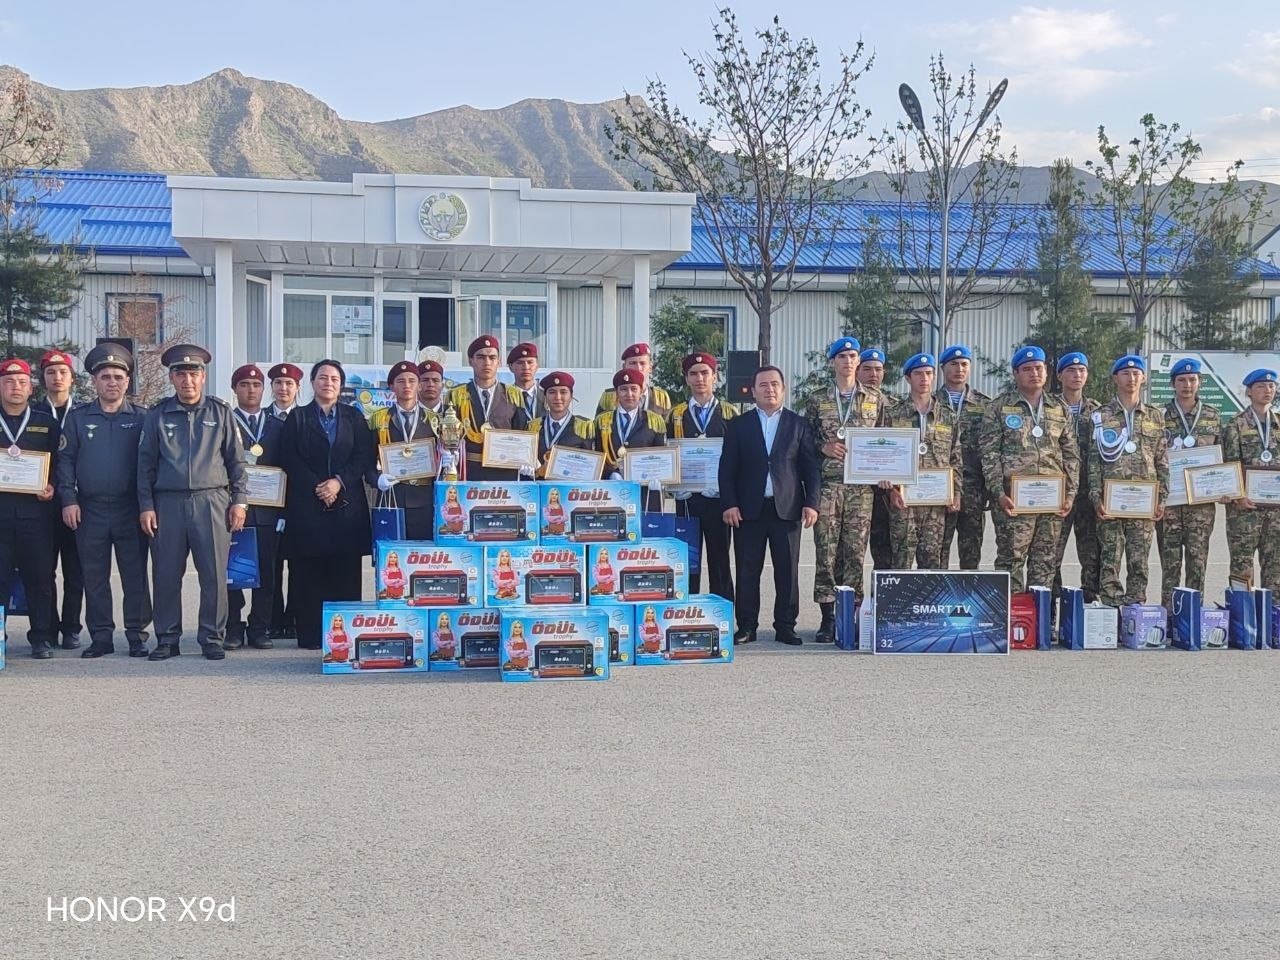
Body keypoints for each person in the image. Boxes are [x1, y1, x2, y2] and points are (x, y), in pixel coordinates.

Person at [138, 344, 248, 661]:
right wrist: (146, 505)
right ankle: (167, 638)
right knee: (166, 575)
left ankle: (212, 637)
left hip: (212, 501)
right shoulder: (157, 414)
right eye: (181, 374)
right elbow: (144, 466)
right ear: (172, 378)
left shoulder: (220, 412)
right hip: (168, 504)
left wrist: (239, 501)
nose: (188, 380)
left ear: (203, 377)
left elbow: (237, 462)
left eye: (194, 373)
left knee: (213, 575)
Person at [56, 344, 152, 658]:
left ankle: (137, 635)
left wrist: (147, 506)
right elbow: (65, 462)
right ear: (95, 381)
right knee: (94, 576)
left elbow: (151, 464)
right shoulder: (78, 418)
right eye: (105, 377)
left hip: (130, 509)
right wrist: (68, 500)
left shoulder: (142, 418)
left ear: (128, 381)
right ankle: (101, 637)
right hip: (90, 509)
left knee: (135, 575)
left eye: (118, 377)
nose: (112, 382)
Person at [719, 365, 820, 646]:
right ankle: (747, 626)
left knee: (787, 571)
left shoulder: (798, 424)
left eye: (775, 384)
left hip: (786, 509)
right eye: (763, 385)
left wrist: (812, 503)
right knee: (747, 570)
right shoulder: (738, 425)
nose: (769, 389)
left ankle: (785, 626)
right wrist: (729, 504)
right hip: (748, 510)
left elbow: (810, 468)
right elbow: (726, 469)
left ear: (783, 389)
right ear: (753, 391)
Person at [278, 359, 374, 650]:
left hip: (346, 507)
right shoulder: (298, 417)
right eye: (322, 377)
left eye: (334, 379)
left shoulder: (354, 417)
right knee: (308, 573)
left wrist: (338, 482)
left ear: (341, 385)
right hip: (308, 507)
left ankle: (344, 637)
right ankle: (310, 635)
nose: (328, 383)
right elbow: (289, 457)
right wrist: (319, 486)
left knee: (344, 573)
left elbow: (363, 455)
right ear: (312, 383)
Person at [805, 336, 886, 643]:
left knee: (855, 553)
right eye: (842, 357)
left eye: (853, 356)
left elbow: (888, 438)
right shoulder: (817, 399)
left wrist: (887, 472)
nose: (848, 361)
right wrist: (823, 446)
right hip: (828, 485)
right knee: (826, 552)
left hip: (861, 488)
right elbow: (805, 439)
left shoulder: (876, 398)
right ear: (833, 362)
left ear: (858, 361)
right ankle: (828, 618)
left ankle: (852, 615)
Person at [979, 346, 1080, 593]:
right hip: (1013, 501)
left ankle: (1040, 616)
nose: (1034, 373)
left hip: (1051, 502)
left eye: (1038, 368)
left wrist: (1070, 494)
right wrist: (998, 493)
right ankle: (1012, 616)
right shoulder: (998, 407)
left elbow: (1071, 454)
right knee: (1010, 562)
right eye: (1027, 369)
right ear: (1016, 373)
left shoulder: (1059, 408)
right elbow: (989, 454)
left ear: (1046, 371)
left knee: (1044, 564)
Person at [1086, 355, 1169, 607]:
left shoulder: (1155, 416)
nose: (1131, 378)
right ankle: (1110, 608)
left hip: (1144, 502)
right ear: (1115, 378)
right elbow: (1093, 460)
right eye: (1125, 373)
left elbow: (1162, 460)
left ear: (1143, 378)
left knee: (1139, 561)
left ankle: (1135, 610)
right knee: (1110, 559)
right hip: (1111, 500)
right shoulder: (1100, 415)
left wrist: (1162, 498)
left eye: (1136, 374)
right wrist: (1095, 496)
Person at [0, 358, 60, 658]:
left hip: (36, 516)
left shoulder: (46, 422)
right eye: (9, 382)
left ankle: (41, 637)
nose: (15, 387)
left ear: (30, 388)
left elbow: (60, 464)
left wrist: (52, 486)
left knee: (40, 579)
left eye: (22, 382)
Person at [668, 352, 737, 601]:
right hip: (687, 499)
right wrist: (673, 485)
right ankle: (686, 612)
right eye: (694, 374)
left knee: (720, 561)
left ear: (715, 376)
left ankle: (722, 613)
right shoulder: (675, 414)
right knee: (688, 560)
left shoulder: (730, 413)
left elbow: (737, 456)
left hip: (719, 499)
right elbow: (668, 453)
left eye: (705, 373)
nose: (700, 379)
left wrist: (728, 490)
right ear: (686, 378)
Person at [225, 364, 283, 651]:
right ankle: (233, 627)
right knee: (233, 572)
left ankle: (260, 627)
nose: (251, 390)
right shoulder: (226, 423)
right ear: (235, 389)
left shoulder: (277, 425)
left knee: (267, 572)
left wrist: (284, 512)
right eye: (244, 385)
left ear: (264, 389)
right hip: (234, 509)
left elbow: (288, 467)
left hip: (269, 510)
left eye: (256, 385)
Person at [886, 353, 961, 570]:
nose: (924, 378)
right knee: (901, 562)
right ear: (908, 379)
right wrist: (891, 491)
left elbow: (956, 457)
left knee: (932, 563)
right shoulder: (893, 413)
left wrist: (956, 492)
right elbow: (885, 456)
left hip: (936, 502)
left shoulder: (947, 415)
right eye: (918, 374)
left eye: (929, 373)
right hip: (904, 500)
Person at [1158, 357, 1223, 609]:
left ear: (1199, 382)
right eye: (1181, 380)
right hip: (1170, 504)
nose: (1187, 385)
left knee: (1197, 562)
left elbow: (1223, 456)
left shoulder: (1212, 416)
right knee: (1170, 564)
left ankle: (1193, 614)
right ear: (1173, 384)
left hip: (1201, 506)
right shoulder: (1159, 415)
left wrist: (1225, 487)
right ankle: (1169, 614)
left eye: (1192, 379)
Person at [38, 349, 83, 649]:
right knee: (44, 571)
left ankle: (71, 627)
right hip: (41, 503)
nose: (57, 377)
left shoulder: (83, 413)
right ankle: (49, 627)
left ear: (72, 378)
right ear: (43, 378)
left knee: (75, 570)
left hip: (78, 502)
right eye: (51, 373)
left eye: (63, 372)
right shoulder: (33, 413)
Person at [367, 360, 439, 541]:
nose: (407, 385)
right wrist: (377, 480)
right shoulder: (379, 419)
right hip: (391, 497)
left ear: (419, 385)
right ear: (391, 387)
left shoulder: (435, 420)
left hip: (424, 500)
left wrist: (448, 460)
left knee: (421, 553)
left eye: (412, 380)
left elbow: (443, 460)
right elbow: (366, 461)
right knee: (390, 553)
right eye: (400, 381)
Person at [1224, 369, 1280, 592]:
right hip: (1244, 511)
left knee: (1276, 569)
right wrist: (1238, 495)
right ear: (1249, 391)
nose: (1267, 390)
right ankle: (1242, 614)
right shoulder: (1235, 425)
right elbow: (1230, 464)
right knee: (1242, 569)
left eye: (1271, 386)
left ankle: (1274, 614)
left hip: (1276, 513)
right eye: (1260, 386)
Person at [1052, 352, 1102, 603]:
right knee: (1051, 554)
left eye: (1082, 370)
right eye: (1071, 370)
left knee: (1092, 554)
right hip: (1056, 493)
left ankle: (1090, 607)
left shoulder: (1099, 412)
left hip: (1088, 494)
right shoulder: (1048, 408)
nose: (1077, 375)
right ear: (1060, 375)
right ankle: (1049, 609)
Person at [936, 345, 992, 569]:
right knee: (938, 549)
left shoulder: (985, 404)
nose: (959, 369)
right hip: (940, 486)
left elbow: (990, 450)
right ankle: (938, 590)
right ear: (943, 368)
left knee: (971, 550)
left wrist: (989, 488)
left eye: (964, 364)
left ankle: (968, 590)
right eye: (953, 364)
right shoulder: (931, 402)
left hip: (973, 486)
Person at [447, 334, 529, 481]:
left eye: (492, 358)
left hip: (504, 472)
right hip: (468, 472)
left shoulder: (513, 395)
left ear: (499, 362)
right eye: (481, 357)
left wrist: (525, 457)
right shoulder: (456, 395)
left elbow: (522, 431)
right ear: (471, 361)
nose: (487, 362)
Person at [266, 361, 303, 642]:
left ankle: (294, 617)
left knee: (298, 563)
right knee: (272, 562)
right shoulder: (262, 418)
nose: (283, 388)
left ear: (297, 388)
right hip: (267, 499)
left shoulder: (305, 417)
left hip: (299, 498)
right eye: (278, 383)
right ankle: (273, 618)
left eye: (289, 384)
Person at [595, 368, 666, 511]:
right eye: (623, 389)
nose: (629, 394)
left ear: (641, 392)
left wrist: (659, 477)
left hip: (645, 492)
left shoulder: (654, 420)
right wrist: (610, 474)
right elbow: (597, 456)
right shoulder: (601, 421)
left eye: (634, 389)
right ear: (616, 393)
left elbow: (661, 456)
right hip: (611, 491)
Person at [859, 347, 896, 573]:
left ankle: (881, 592)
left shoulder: (895, 405)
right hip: (857, 486)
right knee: (851, 551)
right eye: (867, 369)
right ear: (857, 371)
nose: (873, 374)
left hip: (885, 490)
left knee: (884, 550)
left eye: (878, 369)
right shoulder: (849, 404)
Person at [528, 371, 596, 476]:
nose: (558, 397)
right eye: (552, 392)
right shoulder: (533, 427)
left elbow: (590, 465)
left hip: (570, 484)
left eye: (563, 392)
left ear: (571, 396)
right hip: (538, 483)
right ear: (545, 396)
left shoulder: (584, 427)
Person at [595, 342, 673, 417]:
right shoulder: (609, 398)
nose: (638, 368)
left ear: (650, 368)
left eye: (642, 363)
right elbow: (599, 424)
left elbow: (667, 425)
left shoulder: (661, 398)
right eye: (633, 363)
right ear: (624, 367)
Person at [508, 342, 544, 420]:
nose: (526, 367)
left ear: (537, 366)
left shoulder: (547, 397)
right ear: (511, 367)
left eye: (530, 362)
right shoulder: (504, 398)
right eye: (520, 363)